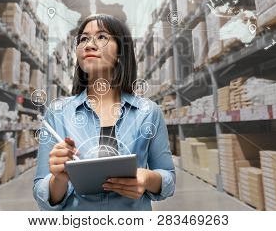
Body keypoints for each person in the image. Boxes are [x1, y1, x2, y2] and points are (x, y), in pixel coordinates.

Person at [33, 14, 176, 210]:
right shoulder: (57, 113)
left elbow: (168, 177)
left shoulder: (148, 112)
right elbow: (42, 193)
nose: (89, 45)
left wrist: (148, 178)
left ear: (121, 51)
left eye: (101, 37)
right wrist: (59, 179)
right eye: (83, 39)